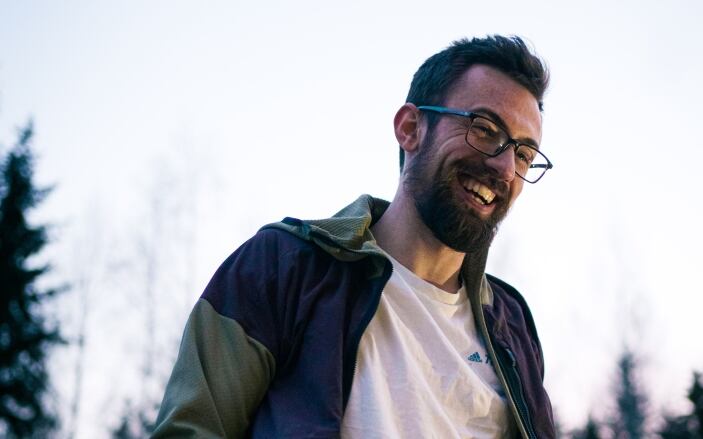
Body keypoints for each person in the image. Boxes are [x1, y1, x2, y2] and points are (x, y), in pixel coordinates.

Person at [152, 35, 556, 438]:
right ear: (411, 128)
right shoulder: (283, 267)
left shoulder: (510, 324)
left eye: (523, 154)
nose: (504, 168)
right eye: (484, 129)